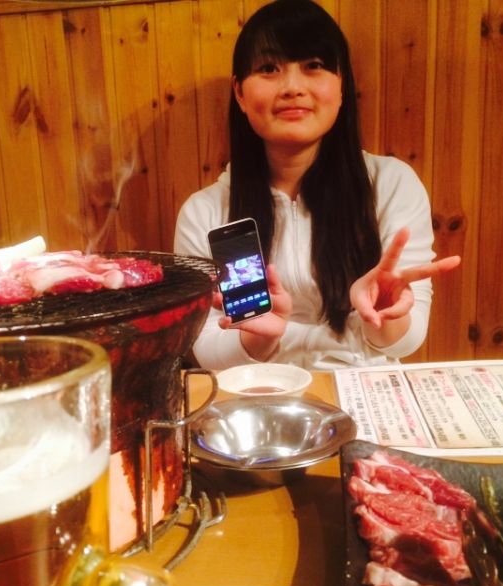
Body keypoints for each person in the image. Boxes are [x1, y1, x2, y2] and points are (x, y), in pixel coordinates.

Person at [174, 0, 460, 370]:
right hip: (260, 388)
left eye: (314, 66)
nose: (293, 87)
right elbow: (206, 346)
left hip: (364, 389)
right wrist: (259, 336)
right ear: (240, 93)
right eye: (269, 68)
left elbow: (408, 339)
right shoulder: (206, 212)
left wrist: (384, 313)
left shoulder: (391, 185)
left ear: (342, 88)